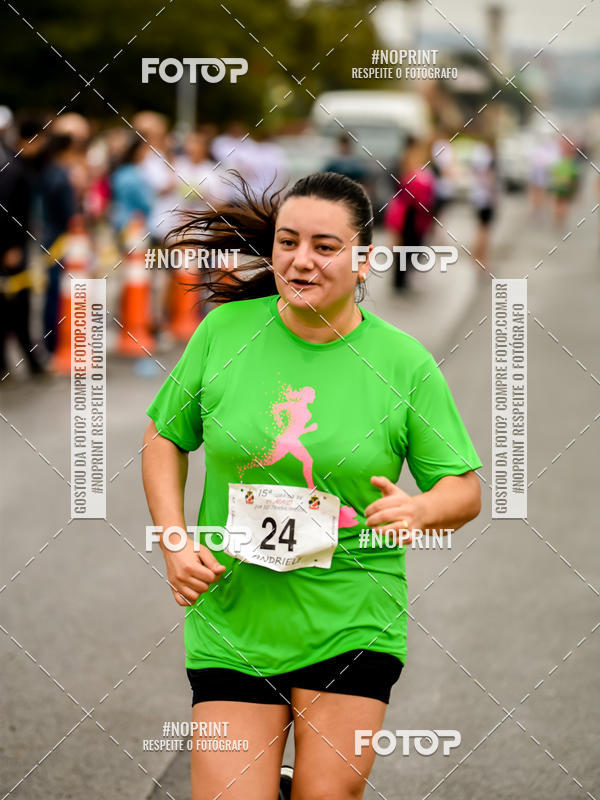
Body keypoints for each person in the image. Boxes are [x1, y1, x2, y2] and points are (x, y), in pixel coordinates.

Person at [142, 172, 482, 800]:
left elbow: (463, 491)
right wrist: (172, 537)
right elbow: (165, 437)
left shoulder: (404, 362)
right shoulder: (224, 334)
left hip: (352, 613)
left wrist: (420, 508)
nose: (300, 260)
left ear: (364, 261)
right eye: (287, 241)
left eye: (325, 247)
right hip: (235, 616)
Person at [384, 137, 436, 291]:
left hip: (416, 217)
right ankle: (399, 282)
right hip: (408, 217)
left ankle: (402, 279)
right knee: (404, 249)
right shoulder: (407, 172)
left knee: (412, 249)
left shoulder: (419, 172)